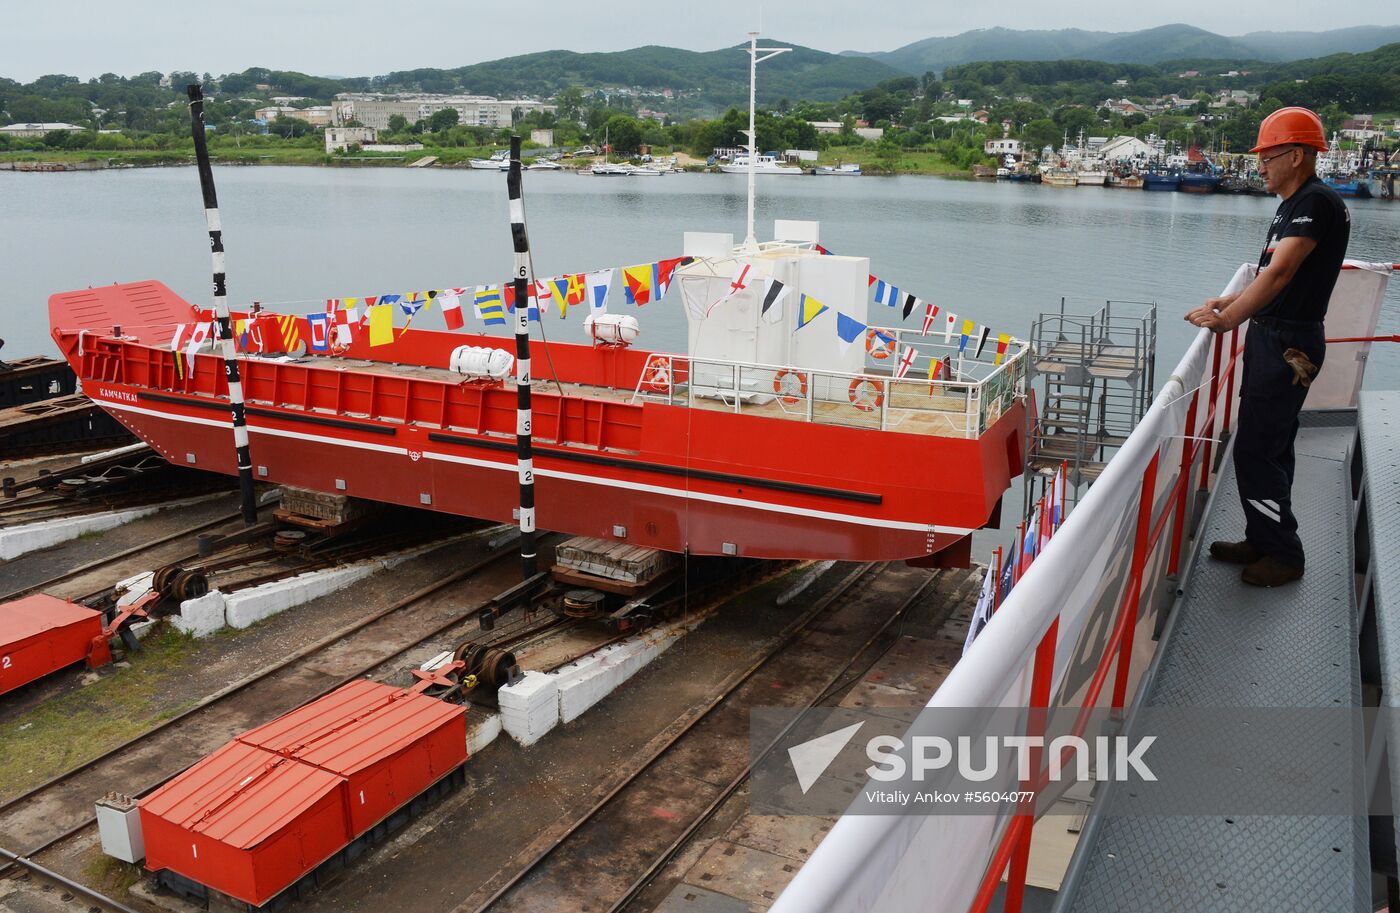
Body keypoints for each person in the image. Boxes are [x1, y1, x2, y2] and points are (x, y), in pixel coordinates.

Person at [1185, 106, 1350, 587]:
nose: (1259, 166)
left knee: (1257, 448)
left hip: (1288, 344)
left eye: (1267, 156)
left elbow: (1280, 273)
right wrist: (1233, 299)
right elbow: (1273, 277)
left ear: (1296, 155)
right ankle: (1263, 536)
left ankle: (1284, 554)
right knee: (1270, 445)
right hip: (1274, 336)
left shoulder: (1314, 203)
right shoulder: (1295, 204)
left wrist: (1227, 319)